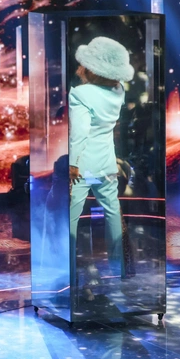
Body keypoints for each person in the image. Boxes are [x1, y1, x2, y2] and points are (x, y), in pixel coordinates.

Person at [68, 36, 134, 297]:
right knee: (112, 213)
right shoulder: (119, 91)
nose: (80, 68)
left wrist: (73, 163)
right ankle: (120, 267)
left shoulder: (80, 94)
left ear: (94, 68)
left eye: (84, 64)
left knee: (72, 215)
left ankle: (69, 264)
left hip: (83, 164)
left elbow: (80, 133)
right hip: (106, 163)